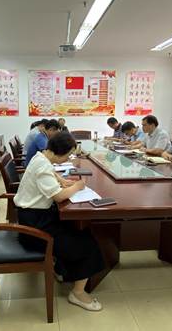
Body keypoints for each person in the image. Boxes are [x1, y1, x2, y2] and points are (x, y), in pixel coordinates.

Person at [14, 132, 104, 311]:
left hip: (33, 218)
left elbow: (50, 175)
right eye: (68, 155)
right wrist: (78, 186)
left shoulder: (41, 157)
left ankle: (63, 270)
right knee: (88, 244)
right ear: (57, 153)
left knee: (75, 230)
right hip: (35, 228)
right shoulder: (42, 166)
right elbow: (58, 196)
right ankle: (77, 294)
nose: (69, 158)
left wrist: (61, 180)